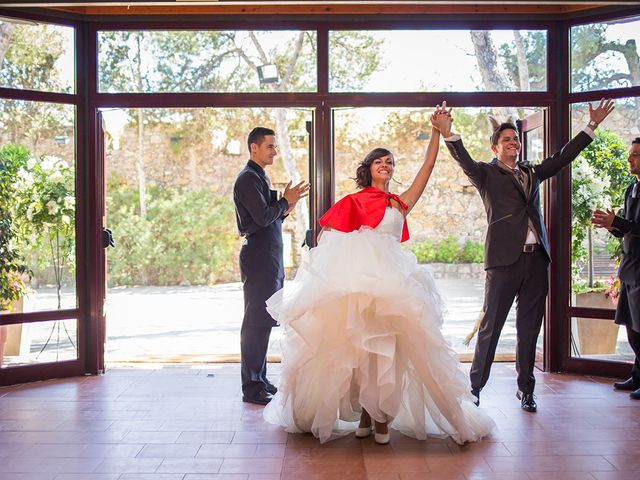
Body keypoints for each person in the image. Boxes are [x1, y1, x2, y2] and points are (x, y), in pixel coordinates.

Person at [263, 107, 494, 445]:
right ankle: (366, 415)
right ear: (368, 169)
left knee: (390, 349)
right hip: (361, 286)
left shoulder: (400, 203)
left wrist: (436, 132)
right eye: (379, 161)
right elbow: (329, 239)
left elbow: (427, 169)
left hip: (396, 283)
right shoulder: (354, 201)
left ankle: (380, 417)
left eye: (390, 163)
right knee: (360, 350)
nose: (385, 166)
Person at [432, 99, 615, 412]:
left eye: (515, 139)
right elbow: (462, 158)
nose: (513, 142)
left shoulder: (532, 171)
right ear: (494, 148)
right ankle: (474, 388)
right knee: (491, 327)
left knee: (530, 329)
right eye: (506, 140)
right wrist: (449, 133)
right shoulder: (485, 174)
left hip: (536, 260)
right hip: (503, 262)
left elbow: (562, 158)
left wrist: (592, 125)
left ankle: (526, 390)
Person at [233, 127, 310, 405]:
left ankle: (260, 379)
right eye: (270, 146)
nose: (275, 151)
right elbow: (264, 217)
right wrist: (284, 202)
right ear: (254, 147)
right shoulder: (247, 178)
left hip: (269, 258)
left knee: (264, 321)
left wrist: (286, 205)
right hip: (258, 259)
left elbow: (267, 219)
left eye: (275, 146)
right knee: (255, 322)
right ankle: (251, 387)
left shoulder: (259, 176)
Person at [592, 137, 640, 400]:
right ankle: (637, 375)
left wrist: (619, 221)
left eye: (635, 155)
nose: (630, 159)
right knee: (632, 328)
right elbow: (629, 230)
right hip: (629, 268)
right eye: (630, 154)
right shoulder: (631, 188)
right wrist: (613, 226)